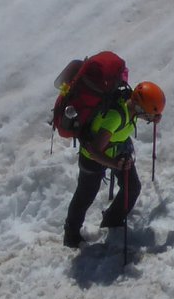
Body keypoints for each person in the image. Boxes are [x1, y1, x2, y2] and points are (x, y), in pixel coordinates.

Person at [59, 55, 162, 246]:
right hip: (95, 157)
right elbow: (94, 150)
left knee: (132, 188)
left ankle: (112, 222)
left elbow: (131, 117)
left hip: (117, 153)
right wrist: (115, 164)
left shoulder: (130, 107)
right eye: (148, 114)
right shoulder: (115, 118)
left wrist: (151, 116)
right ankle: (70, 234)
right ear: (140, 107)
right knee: (85, 195)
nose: (148, 117)